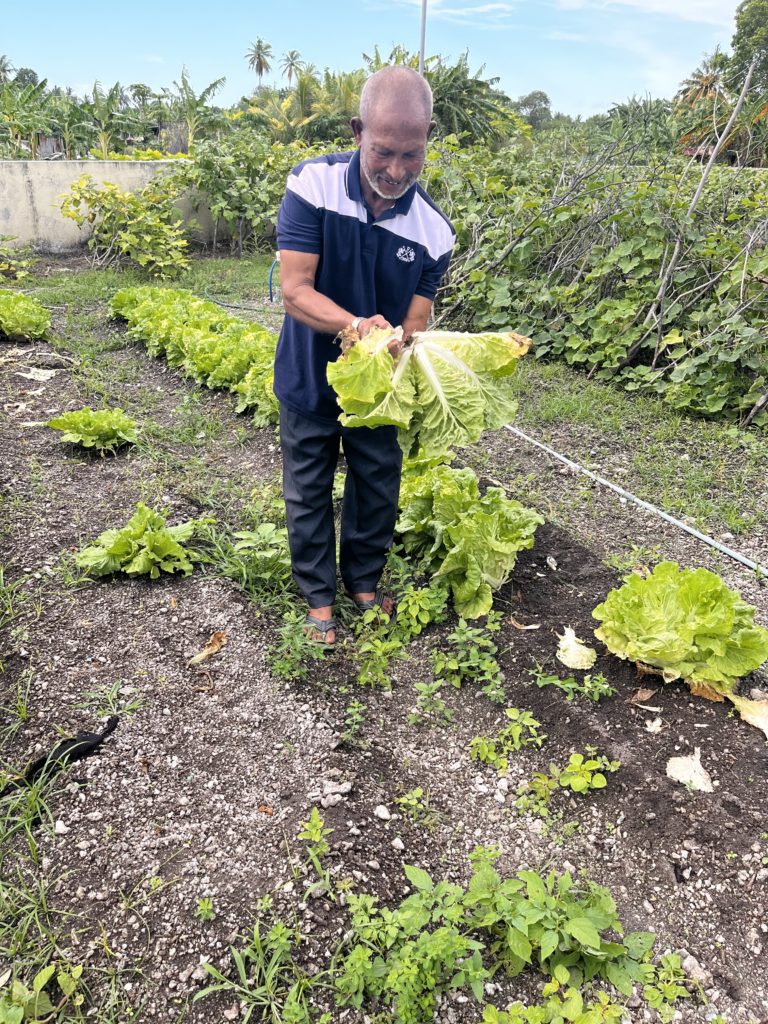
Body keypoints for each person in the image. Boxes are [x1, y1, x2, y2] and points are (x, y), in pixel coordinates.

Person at [274, 65, 455, 644]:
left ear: (429, 140)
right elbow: (295, 290)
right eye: (382, 152)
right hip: (309, 375)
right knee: (308, 488)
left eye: (411, 155)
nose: (396, 170)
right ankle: (318, 599)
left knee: (378, 486)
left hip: (379, 393)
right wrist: (354, 324)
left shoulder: (435, 234)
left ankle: (364, 583)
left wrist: (402, 344)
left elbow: (416, 321)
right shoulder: (312, 186)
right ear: (358, 131)